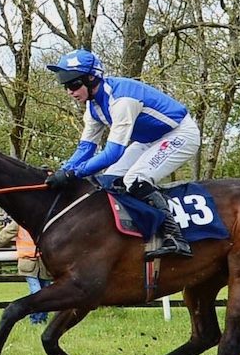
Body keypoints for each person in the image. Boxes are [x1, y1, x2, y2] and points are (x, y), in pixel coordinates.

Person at [44, 48, 200, 258]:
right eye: (65, 86)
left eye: (74, 84)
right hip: (148, 140)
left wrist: (74, 174)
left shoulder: (121, 100)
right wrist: (63, 171)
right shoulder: (93, 108)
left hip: (180, 133)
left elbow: (113, 153)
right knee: (107, 180)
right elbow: (86, 149)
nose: (70, 91)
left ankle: (175, 237)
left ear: (92, 79)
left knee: (136, 178)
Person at [0, 218, 48, 323]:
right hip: (28, 264)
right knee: (37, 292)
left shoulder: (44, 219)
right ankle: (35, 320)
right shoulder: (20, 222)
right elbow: (5, 234)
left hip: (44, 265)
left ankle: (42, 319)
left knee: (46, 293)